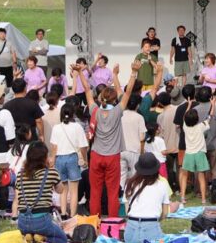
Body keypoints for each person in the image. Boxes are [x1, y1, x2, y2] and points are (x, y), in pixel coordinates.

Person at [80, 60, 137, 217]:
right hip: (112, 156)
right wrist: (133, 72)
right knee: (113, 192)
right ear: (114, 100)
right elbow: (127, 92)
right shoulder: (118, 111)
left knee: (95, 191)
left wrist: (79, 73)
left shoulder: (95, 110)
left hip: (97, 155)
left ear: (101, 98)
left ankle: (94, 221)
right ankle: (112, 221)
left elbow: (86, 90)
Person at [12, 141, 67, 243]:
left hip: (23, 221)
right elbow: (60, 190)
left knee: (28, 227)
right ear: (44, 157)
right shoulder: (51, 173)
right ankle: (42, 238)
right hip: (42, 221)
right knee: (62, 240)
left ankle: (27, 236)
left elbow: (18, 197)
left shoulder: (20, 174)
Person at [123, 152, 171, 243]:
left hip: (130, 236)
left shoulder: (129, 184)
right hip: (152, 234)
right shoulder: (162, 184)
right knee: (165, 241)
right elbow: (165, 213)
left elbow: (126, 211)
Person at [50, 101, 88, 219]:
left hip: (59, 159)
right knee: (74, 190)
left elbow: (54, 147)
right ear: (72, 114)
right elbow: (83, 146)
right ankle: (73, 214)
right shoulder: (77, 127)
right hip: (72, 158)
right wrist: (85, 159)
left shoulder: (56, 127)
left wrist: (52, 161)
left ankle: (63, 213)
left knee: (63, 189)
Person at [180, 97, 215, 204]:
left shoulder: (185, 126)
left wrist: (189, 105)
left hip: (189, 153)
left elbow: (184, 117)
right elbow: (210, 116)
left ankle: (182, 197)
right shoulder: (201, 126)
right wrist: (212, 105)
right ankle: (204, 199)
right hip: (200, 153)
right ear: (197, 119)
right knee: (201, 177)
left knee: (185, 175)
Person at [121, 83, 147, 194]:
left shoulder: (120, 114)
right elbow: (142, 137)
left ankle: (121, 196)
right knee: (134, 176)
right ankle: (132, 195)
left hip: (120, 150)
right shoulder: (139, 117)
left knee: (121, 176)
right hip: (134, 150)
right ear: (137, 105)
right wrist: (142, 152)